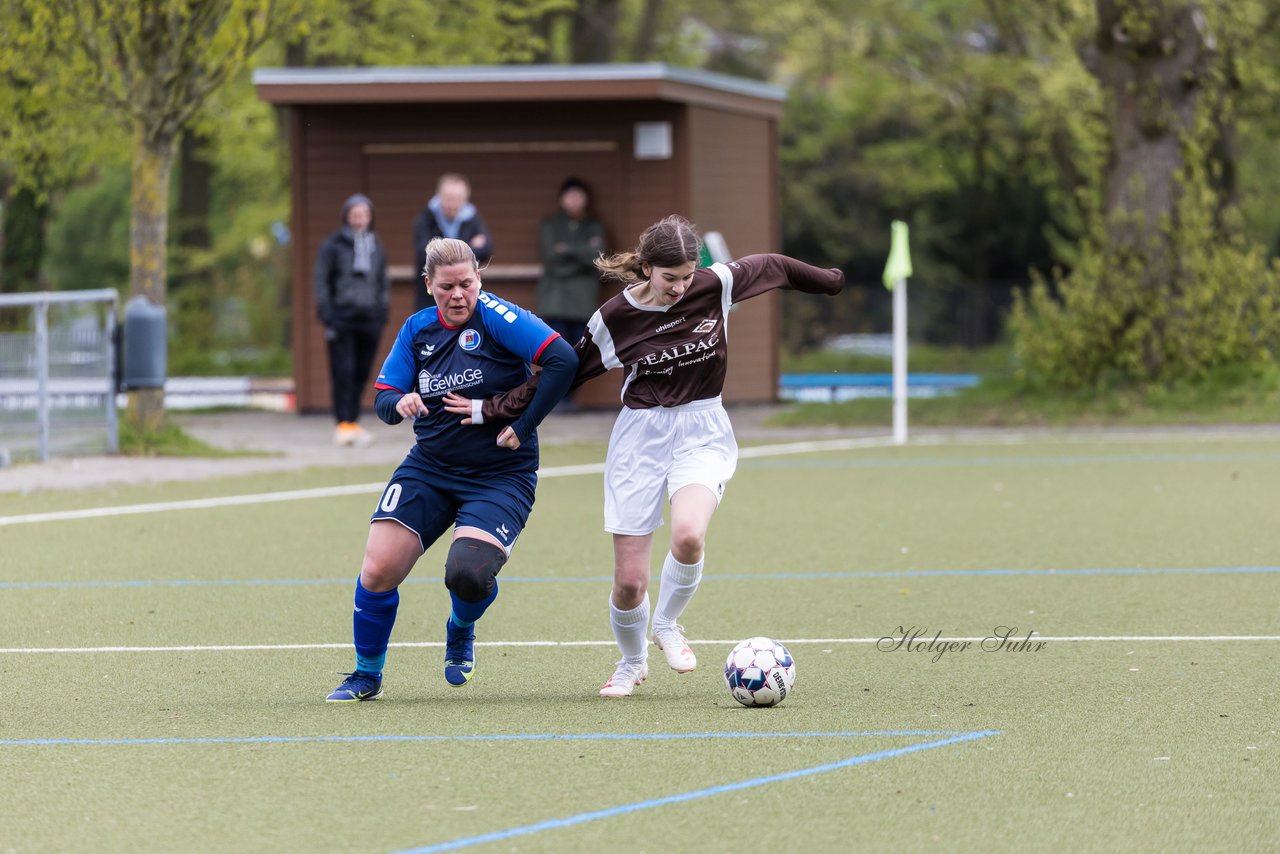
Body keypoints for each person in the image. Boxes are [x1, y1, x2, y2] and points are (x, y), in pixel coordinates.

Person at [442, 215, 845, 698]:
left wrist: (830, 281)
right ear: (647, 268)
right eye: (669, 277)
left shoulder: (714, 285)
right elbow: (562, 373)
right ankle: (631, 663)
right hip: (640, 437)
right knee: (630, 582)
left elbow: (775, 266)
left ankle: (668, 624)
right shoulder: (616, 318)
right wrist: (495, 409)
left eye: (687, 275)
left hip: (702, 427)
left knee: (690, 534)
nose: (679, 287)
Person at [325, 237, 578, 702]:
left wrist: (523, 426)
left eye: (467, 283)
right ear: (428, 286)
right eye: (447, 287)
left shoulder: (500, 318)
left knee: (467, 574)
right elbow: (382, 398)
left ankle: (460, 626)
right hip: (430, 468)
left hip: (501, 474)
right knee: (378, 568)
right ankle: (366, 675)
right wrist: (398, 401)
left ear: (479, 279)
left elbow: (563, 359)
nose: (458, 295)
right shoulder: (416, 331)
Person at [313, 193, 390, 447]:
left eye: (364, 214)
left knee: (362, 371)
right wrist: (327, 314)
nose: (359, 219)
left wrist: (381, 312)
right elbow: (321, 280)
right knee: (343, 371)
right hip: (341, 318)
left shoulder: (376, 245)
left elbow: (382, 281)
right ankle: (342, 422)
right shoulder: (333, 246)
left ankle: (353, 421)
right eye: (355, 214)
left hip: (369, 319)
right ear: (347, 216)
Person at [537, 177, 606, 350]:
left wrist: (566, 250)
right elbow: (551, 257)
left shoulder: (594, 225)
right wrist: (583, 255)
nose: (574, 200)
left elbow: (596, 258)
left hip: (583, 301)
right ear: (561, 198)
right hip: (555, 300)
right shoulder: (551, 224)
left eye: (578, 195)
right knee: (556, 354)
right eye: (570, 195)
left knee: (581, 355)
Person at [411, 173, 493, 313]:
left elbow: (487, 249)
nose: (452, 205)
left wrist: (441, 251)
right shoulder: (426, 219)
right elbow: (423, 254)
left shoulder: (472, 218)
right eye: (448, 199)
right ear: (440, 197)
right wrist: (468, 248)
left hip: (465, 297)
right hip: (430, 298)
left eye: (457, 200)